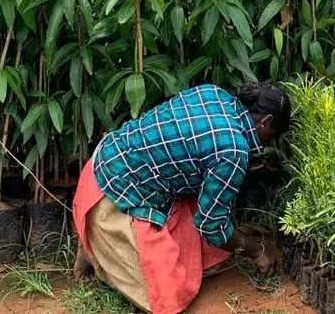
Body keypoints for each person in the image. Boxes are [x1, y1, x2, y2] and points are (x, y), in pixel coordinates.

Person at [72, 81, 291, 313]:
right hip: (117, 195)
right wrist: (256, 250)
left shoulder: (214, 93)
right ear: (265, 122)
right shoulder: (233, 151)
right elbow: (211, 225)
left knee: (201, 239)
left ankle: (98, 244)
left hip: (103, 162)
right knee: (170, 295)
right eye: (272, 136)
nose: (268, 143)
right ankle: (98, 247)